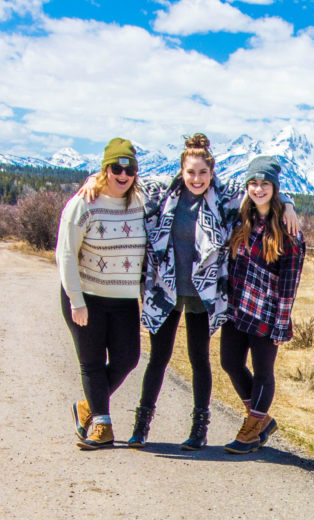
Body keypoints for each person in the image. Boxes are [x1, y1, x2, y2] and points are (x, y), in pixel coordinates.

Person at [77, 133, 298, 451]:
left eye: (203, 173)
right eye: (191, 172)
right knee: (159, 359)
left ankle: (199, 430)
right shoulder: (162, 191)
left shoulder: (223, 196)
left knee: (199, 360)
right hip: (165, 290)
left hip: (201, 294)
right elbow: (122, 182)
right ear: (181, 171)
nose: (197, 178)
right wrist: (92, 178)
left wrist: (288, 204)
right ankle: (141, 427)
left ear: (212, 173)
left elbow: (262, 189)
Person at [57, 138, 146, 451]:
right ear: (104, 168)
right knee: (92, 363)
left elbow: (183, 179)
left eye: (130, 168)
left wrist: (283, 202)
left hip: (123, 300)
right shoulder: (83, 203)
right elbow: (66, 254)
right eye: (115, 168)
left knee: (127, 358)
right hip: (88, 296)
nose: (123, 174)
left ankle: (89, 407)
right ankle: (102, 425)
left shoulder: (141, 200)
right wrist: (76, 301)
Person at [220, 156, 305, 454]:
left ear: (275, 188)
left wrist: (282, 322)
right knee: (229, 362)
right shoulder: (241, 219)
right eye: (253, 183)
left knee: (263, 370)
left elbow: (290, 283)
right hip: (237, 309)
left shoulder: (288, 230)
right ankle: (263, 419)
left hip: (267, 314)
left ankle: (251, 429)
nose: (258, 189)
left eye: (265, 183)